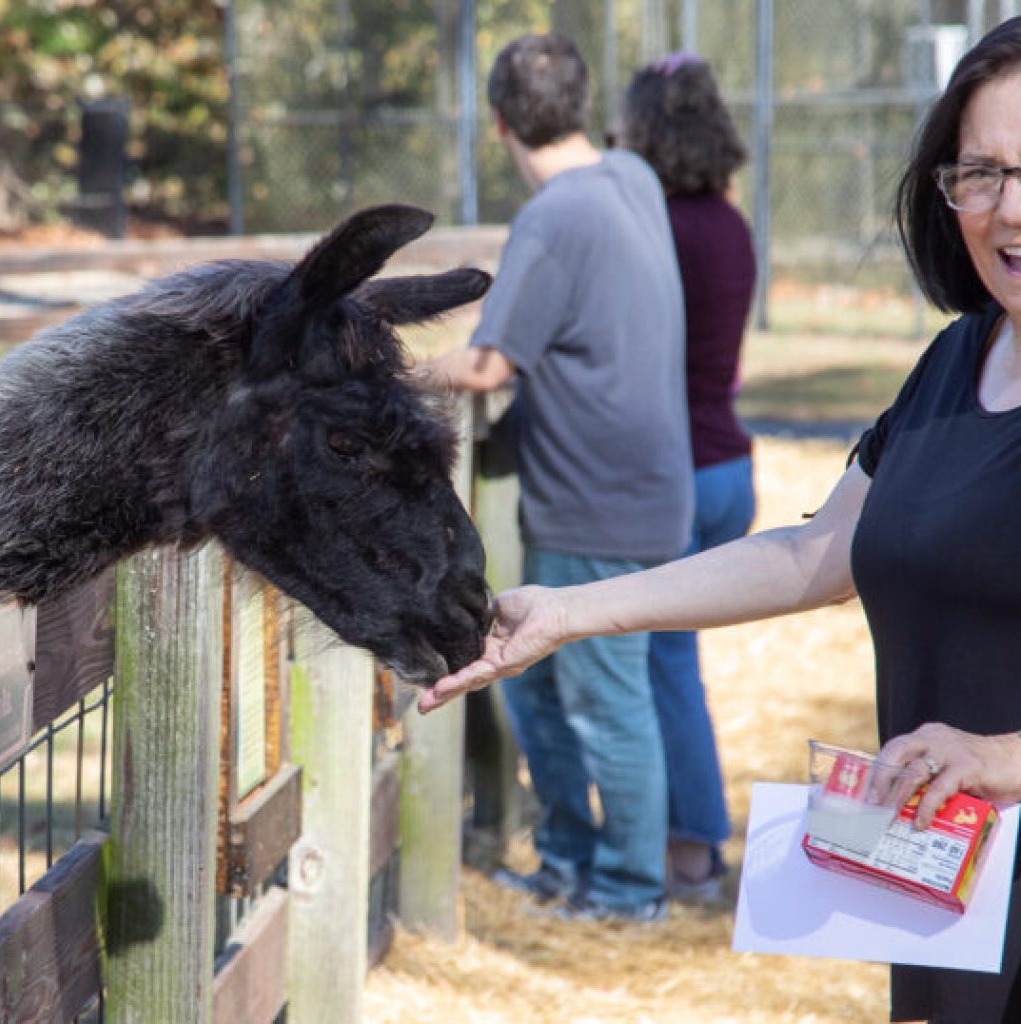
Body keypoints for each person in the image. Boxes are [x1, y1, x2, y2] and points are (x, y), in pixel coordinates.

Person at [422, 17, 1021, 1021]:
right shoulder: (956, 363)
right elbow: (811, 553)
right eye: (981, 173)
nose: (1008, 208)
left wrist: (1003, 755)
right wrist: (569, 611)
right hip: (949, 893)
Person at [424, 32, 695, 922]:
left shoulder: (554, 216)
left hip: (591, 503)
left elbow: (489, 366)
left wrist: (395, 375)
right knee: (553, 688)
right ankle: (572, 864)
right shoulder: (632, 178)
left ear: (497, 121)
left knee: (603, 704)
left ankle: (625, 895)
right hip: (645, 487)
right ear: (582, 107)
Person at [622, 52, 757, 900]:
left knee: (663, 665)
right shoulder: (733, 226)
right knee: (675, 662)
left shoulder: (659, 231)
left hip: (683, 471)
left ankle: (693, 854)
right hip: (731, 464)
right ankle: (692, 843)